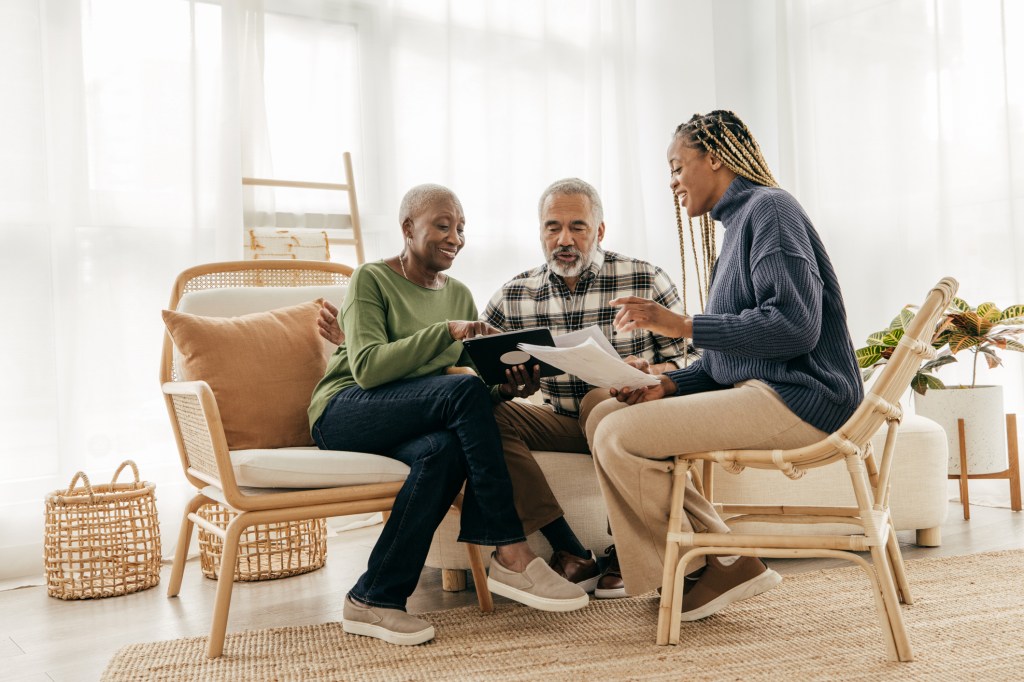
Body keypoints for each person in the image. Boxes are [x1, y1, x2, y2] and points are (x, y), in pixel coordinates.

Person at [585, 110, 864, 621]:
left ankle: (705, 563)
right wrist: (667, 384)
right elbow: (723, 362)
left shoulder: (771, 210)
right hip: (768, 390)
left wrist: (683, 325)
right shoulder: (737, 226)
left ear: (714, 157)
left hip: (807, 396)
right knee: (602, 415)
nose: (672, 183)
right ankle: (723, 559)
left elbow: (795, 327)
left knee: (617, 435)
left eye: (677, 166)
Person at [308, 184, 588, 647]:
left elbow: (467, 391)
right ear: (407, 228)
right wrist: (445, 332)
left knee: (445, 450)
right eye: (443, 225)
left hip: (410, 418)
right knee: (459, 392)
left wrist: (508, 387)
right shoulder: (371, 279)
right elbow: (370, 368)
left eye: (460, 228)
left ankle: (373, 597)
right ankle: (510, 551)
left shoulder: (458, 292)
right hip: (345, 409)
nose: (455, 236)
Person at [483, 178, 691, 598]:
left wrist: (647, 368)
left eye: (577, 226)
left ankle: (623, 551)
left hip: (629, 420)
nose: (564, 239)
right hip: (560, 422)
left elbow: (693, 360)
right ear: (540, 231)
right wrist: (509, 389)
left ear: (599, 231)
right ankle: (570, 549)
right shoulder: (512, 295)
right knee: (477, 413)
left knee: (600, 397)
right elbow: (483, 371)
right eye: (552, 227)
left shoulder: (645, 279)